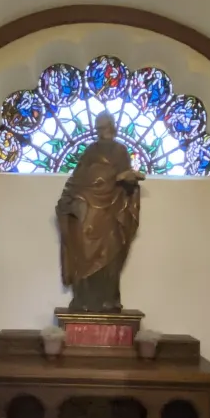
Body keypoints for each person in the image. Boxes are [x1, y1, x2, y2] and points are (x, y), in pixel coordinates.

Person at [56, 112, 145, 313]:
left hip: (110, 210)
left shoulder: (120, 151)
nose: (101, 132)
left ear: (112, 128)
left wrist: (127, 179)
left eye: (104, 127)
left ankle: (108, 299)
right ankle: (83, 299)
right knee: (83, 252)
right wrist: (69, 199)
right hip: (88, 207)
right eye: (98, 128)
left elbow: (125, 179)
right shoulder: (91, 151)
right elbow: (78, 177)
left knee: (110, 255)